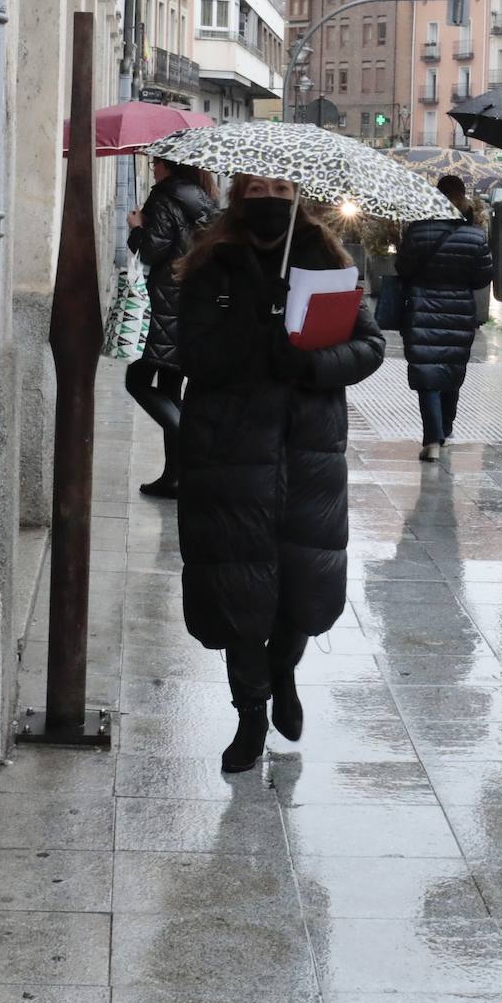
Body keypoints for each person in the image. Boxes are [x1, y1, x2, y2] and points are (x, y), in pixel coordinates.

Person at [175, 175, 385, 773]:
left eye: (283, 190)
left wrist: (308, 361)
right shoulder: (212, 265)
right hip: (230, 453)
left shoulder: (326, 261)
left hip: (306, 453)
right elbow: (191, 355)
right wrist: (256, 326)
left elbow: (368, 347)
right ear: (241, 197)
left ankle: (284, 671)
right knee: (238, 592)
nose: (272, 200)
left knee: (301, 586)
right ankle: (249, 717)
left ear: (299, 198)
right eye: (259, 189)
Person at [125, 159, 217, 497]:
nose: (152, 168)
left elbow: (152, 250)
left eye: (156, 163)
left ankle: (192, 442)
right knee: (168, 390)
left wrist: (136, 227)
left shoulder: (164, 198)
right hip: (191, 304)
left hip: (163, 305)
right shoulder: (204, 199)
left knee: (136, 381)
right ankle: (174, 477)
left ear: (169, 166)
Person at [395, 174, 493, 462]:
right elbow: (483, 278)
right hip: (459, 313)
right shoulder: (475, 236)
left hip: (421, 310)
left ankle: (432, 438)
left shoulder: (418, 230)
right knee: (451, 372)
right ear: (463, 199)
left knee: (427, 375)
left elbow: (402, 268)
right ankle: (446, 431)